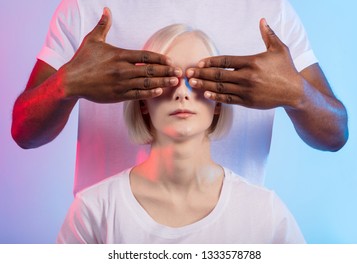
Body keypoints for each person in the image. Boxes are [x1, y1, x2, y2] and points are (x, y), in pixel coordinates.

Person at [11, 0, 348, 194]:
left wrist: (297, 94)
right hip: (111, 238)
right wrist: (67, 84)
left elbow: (335, 134)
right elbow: (24, 131)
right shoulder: (88, 0)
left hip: (232, 239)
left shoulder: (270, 8)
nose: (183, 94)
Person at [57, 25, 305, 243]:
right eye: (167, 79)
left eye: (197, 79)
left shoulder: (265, 214)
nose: (182, 93)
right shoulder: (94, 212)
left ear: (219, 100)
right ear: (142, 99)